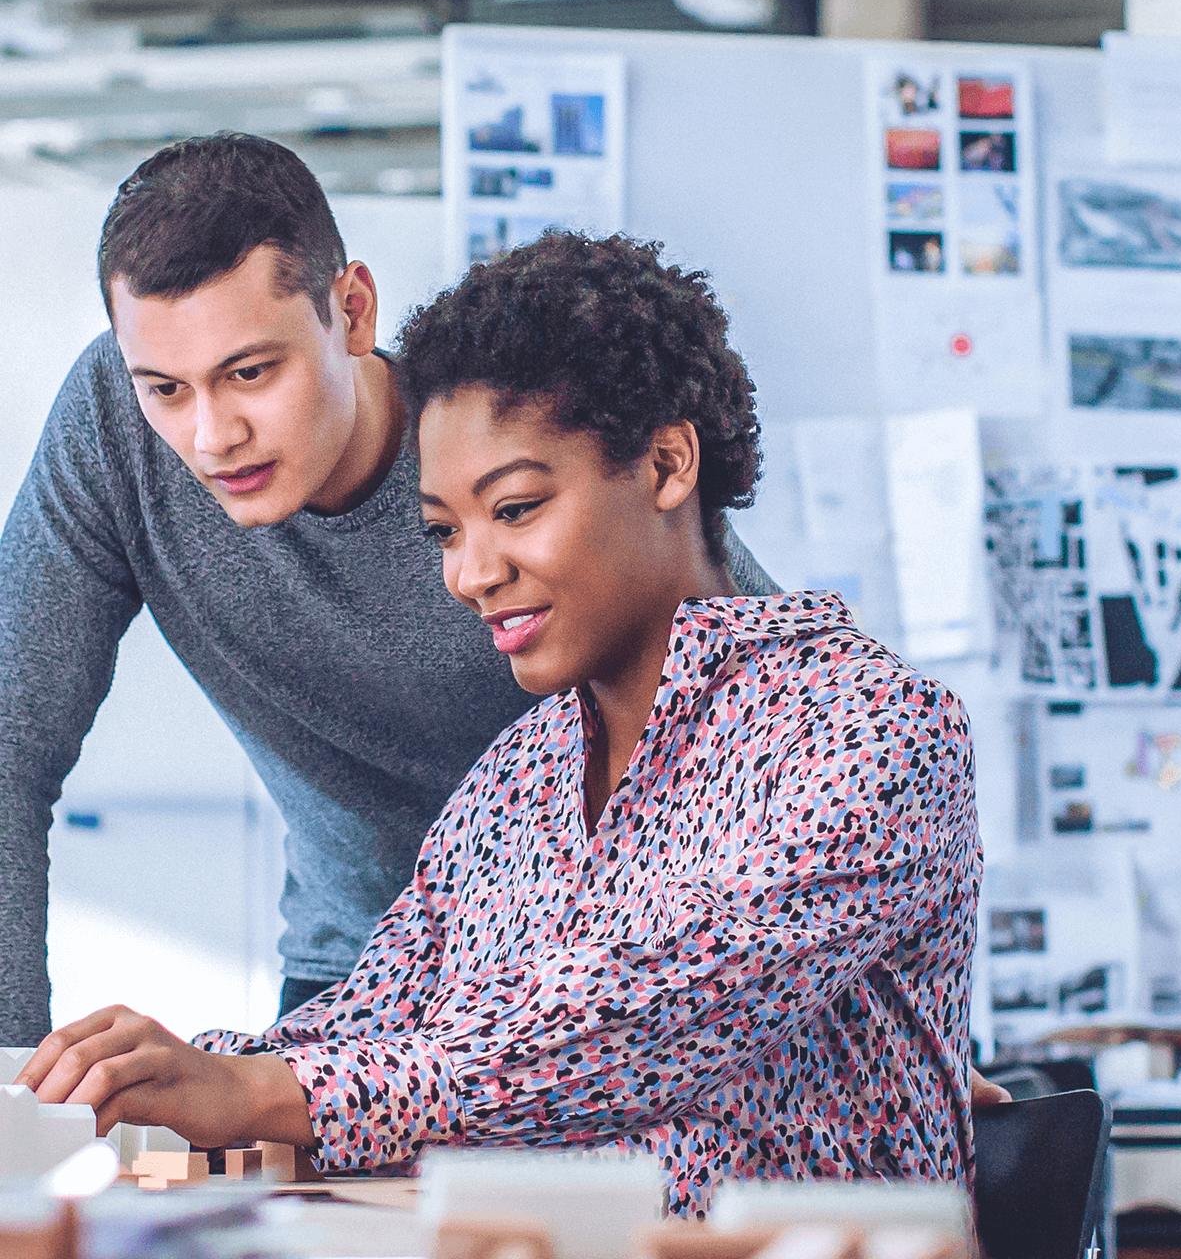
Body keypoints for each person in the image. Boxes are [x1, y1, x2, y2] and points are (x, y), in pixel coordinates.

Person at [18, 233, 982, 1216]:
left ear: (665, 463)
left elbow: (636, 1028)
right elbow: (373, 1027)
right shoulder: (520, 777)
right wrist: (151, 1080)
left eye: (515, 509)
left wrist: (261, 1093)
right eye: (445, 529)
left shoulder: (874, 734)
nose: (470, 574)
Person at [0, 134, 775, 1046]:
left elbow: (773, 711)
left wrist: (849, 1005)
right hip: (359, 975)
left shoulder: (490, 451)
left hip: (607, 970)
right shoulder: (113, 427)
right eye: (167, 388)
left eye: (252, 372)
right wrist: (10, 1101)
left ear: (352, 311)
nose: (212, 436)